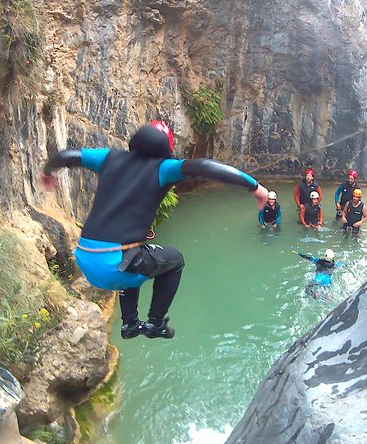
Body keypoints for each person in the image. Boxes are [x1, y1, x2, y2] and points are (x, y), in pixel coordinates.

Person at [40, 121, 269, 340]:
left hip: (85, 258)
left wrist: (47, 173)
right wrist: (255, 187)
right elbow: (205, 167)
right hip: (113, 265)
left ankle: (130, 324)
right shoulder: (163, 168)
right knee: (174, 260)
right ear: (166, 148)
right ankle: (155, 323)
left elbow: (67, 155)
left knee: (137, 258)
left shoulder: (108, 157)